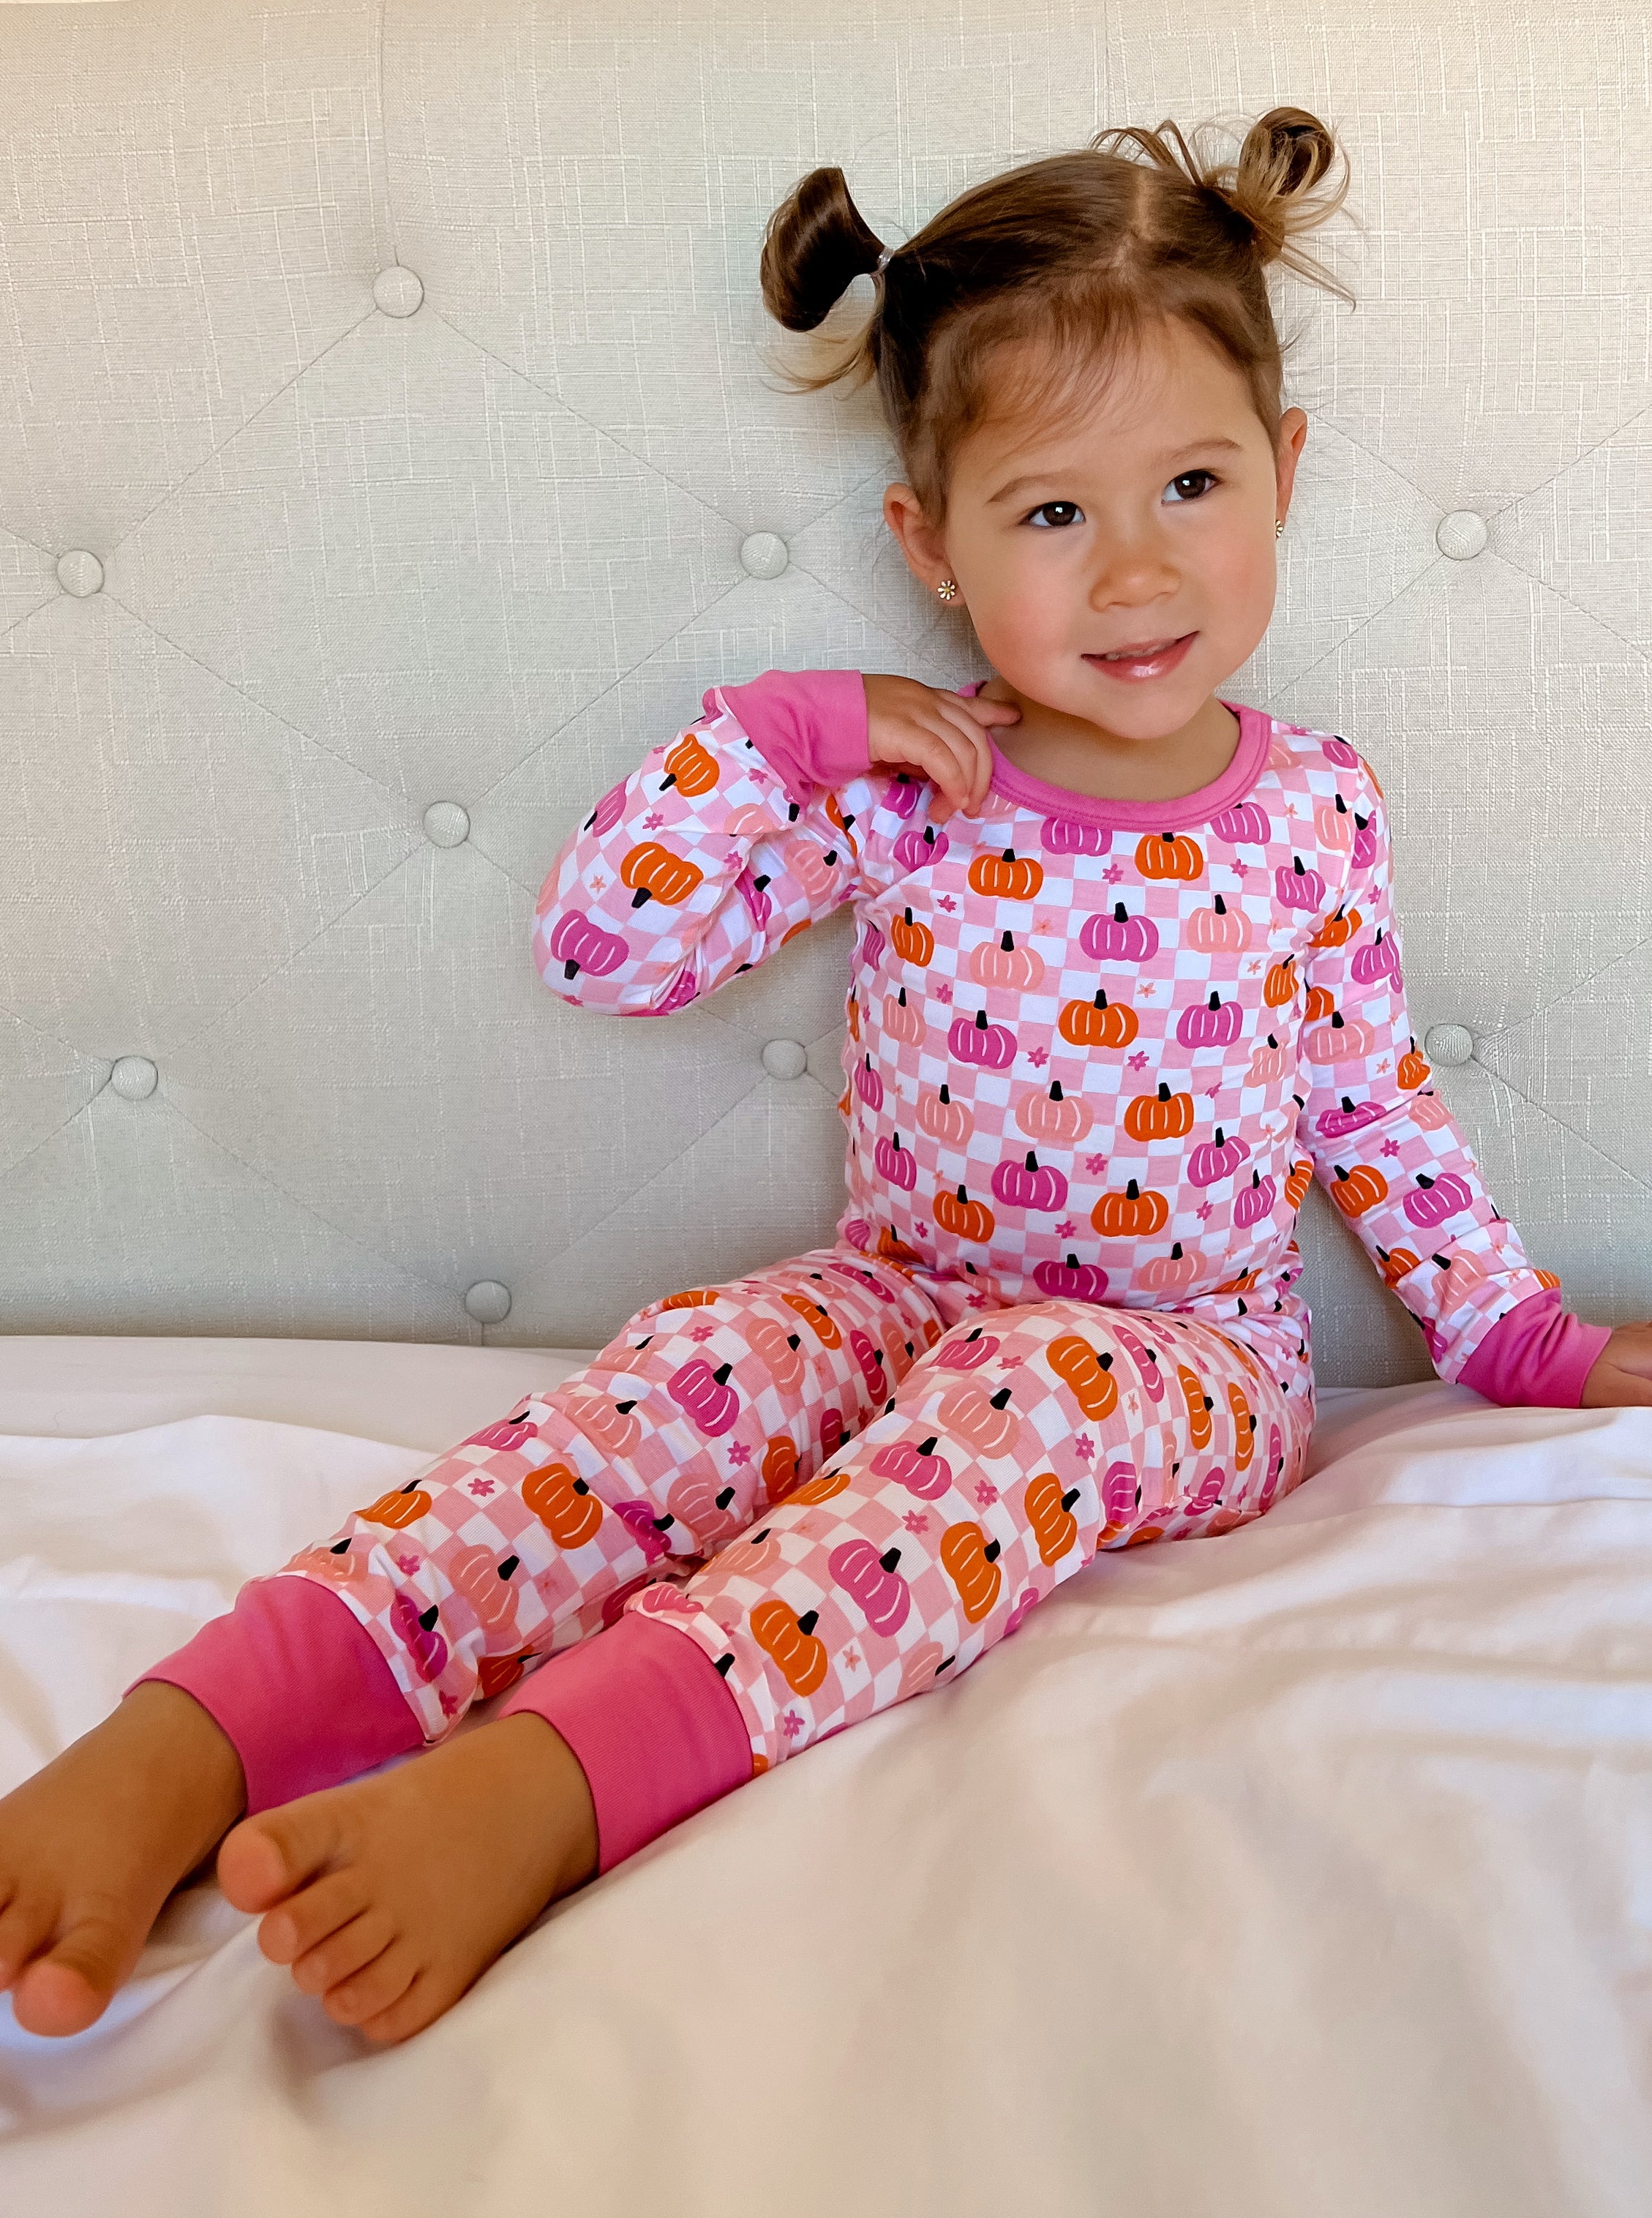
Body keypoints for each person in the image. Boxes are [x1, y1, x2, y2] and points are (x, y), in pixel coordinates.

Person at [5, 106, 1649, 2053]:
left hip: (1177, 1362)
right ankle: (204, 1731)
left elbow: (1370, 1103)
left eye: (1190, 484)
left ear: (1282, 476)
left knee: (1020, 1406)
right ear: (929, 546)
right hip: (894, 1293)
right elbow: (605, 949)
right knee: (657, 1398)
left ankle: (552, 1785)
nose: (1133, 570)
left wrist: (1519, 1339)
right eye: (1050, 511)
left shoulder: (1312, 813)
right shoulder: (902, 779)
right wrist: (774, 734)